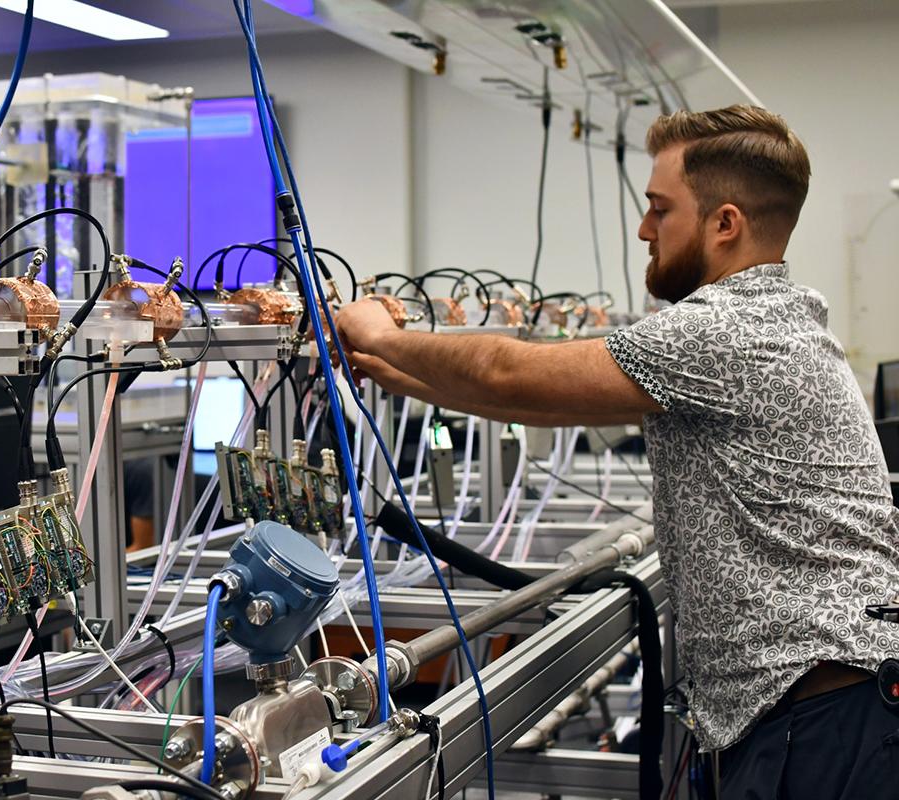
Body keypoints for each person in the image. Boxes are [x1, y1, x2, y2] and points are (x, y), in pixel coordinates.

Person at [334, 105, 899, 798]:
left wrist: (384, 337)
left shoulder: (726, 330)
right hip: (825, 707)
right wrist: (404, 373)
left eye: (660, 209)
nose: (643, 230)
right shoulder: (780, 318)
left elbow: (513, 374)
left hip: (820, 721)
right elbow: (539, 398)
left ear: (725, 223)